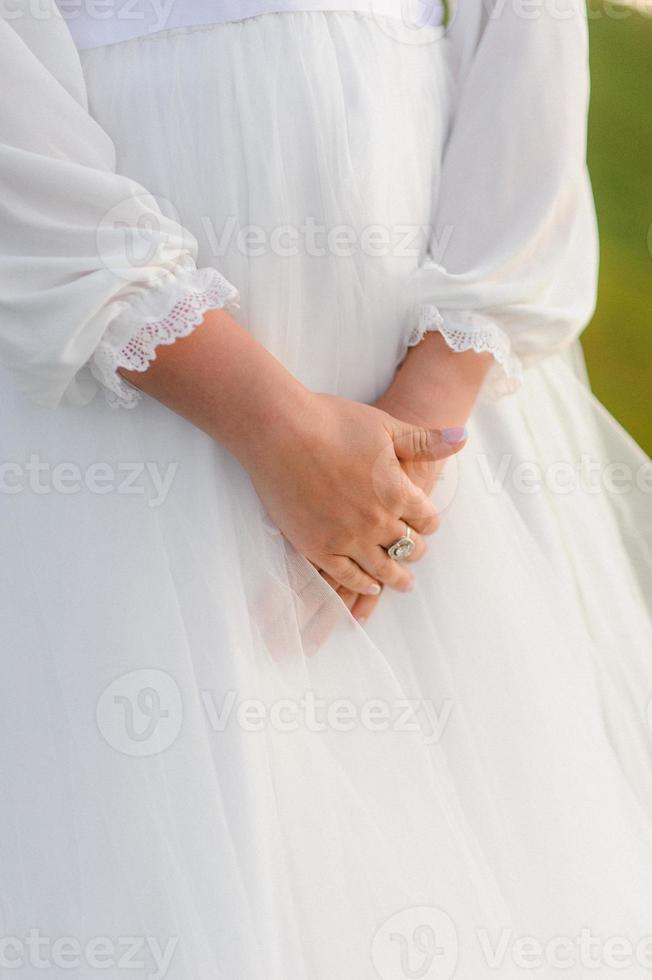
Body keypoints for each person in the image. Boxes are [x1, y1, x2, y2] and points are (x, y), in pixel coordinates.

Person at [1, 1, 651, 977]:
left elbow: (526, 47)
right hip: (121, 415)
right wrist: (273, 424)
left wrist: (422, 427)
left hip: (428, 405)